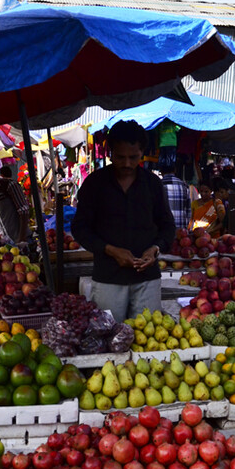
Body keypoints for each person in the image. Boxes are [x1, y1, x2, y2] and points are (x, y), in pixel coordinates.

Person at [72, 121, 175, 323]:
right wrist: (110, 250)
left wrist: (155, 248)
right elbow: (80, 227)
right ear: (110, 152)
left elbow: (168, 226)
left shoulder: (152, 184)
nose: (127, 163)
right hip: (108, 279)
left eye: (133, 157)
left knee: (148, 341)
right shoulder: (95, 183)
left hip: (147, 280)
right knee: (108, 339)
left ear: (142, 153)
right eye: (120, 157)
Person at [161, 165, 191, 231]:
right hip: (180, 230)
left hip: (163, 229)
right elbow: (188, 211)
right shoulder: (184, 185)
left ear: (161, 171)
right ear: (175, 170)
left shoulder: (158, 185)